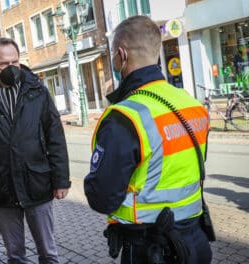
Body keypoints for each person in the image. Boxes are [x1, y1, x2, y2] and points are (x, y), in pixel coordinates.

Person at [84, 16, 212, 264]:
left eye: (112, 54)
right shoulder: (191, 104)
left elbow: (102, 197)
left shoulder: (125, 117)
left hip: (151, 248)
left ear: (121, 55)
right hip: (196, 239)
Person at [0, 38, 70, 263]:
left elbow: (55, 136)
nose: (12, 68)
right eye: (4, 64)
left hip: (37, 183)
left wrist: (61, 179)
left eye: (15, 61)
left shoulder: (37, 89)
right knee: (15, 255)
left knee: (48, 254)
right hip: (1, 186)